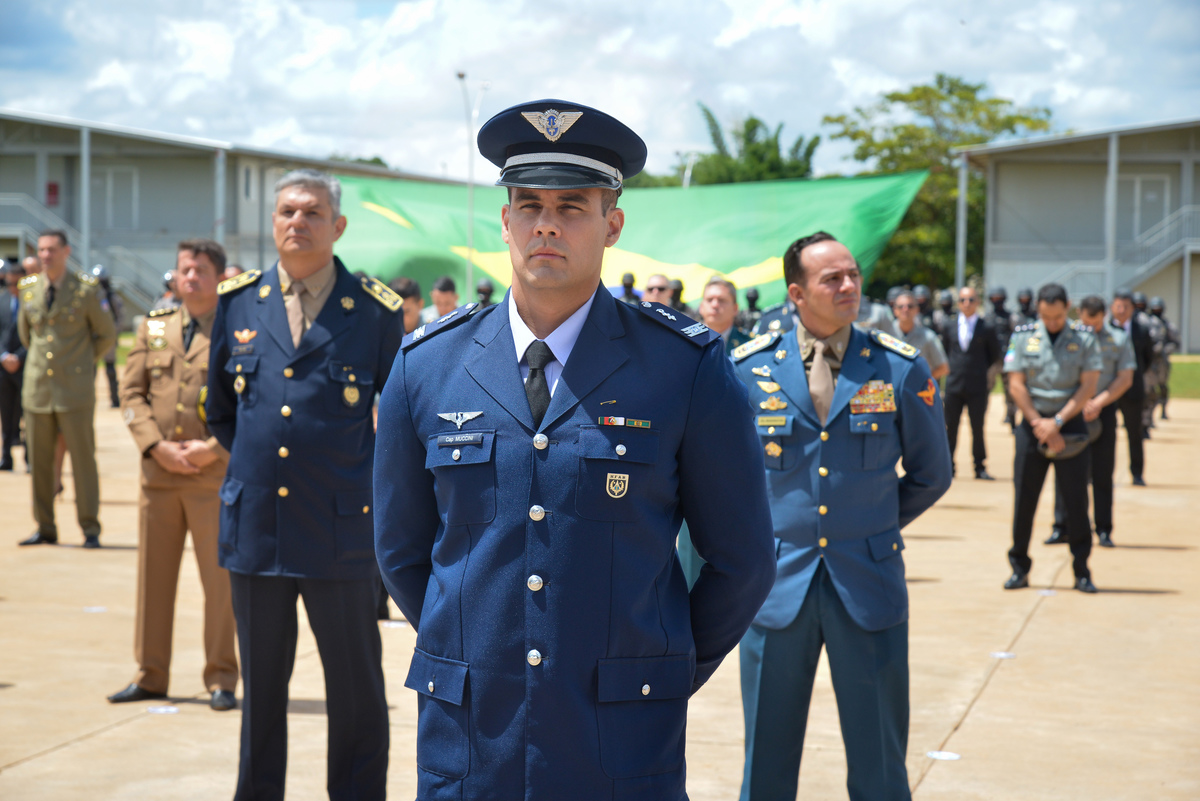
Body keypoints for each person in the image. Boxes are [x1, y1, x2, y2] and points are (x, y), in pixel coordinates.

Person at [374, 98, 776, 801]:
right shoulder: (426, 366)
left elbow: (742, 558)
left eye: (572, 205)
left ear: (612, 222)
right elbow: (402, 550)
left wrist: (659, 664)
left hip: (618, 740)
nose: (547, 223)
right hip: (473, 735)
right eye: (527, 204)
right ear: (505, 221)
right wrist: (477, 644)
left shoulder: (683, 367)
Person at [206, 169, 402, 800]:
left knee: (355, 690)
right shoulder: (237, 302)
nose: (299, 222)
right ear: (273, 223)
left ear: (337, 225)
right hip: (257, 528)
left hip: (339, 531)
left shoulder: (374, 311)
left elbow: (398, 424)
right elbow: (220, 412)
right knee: (262, 692)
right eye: (287, 211)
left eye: (313, 212)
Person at [734, 231, 951, 801]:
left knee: (880, 762)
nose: (849, 285)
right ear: (796, 293)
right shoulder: (746, 372)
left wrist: (872, 522)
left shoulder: (899, 367)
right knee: (765, 764)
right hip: (776, 586)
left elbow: (933, 473)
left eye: (853, 274)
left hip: (869, 580)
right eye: (832, 278)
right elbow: (720, 479)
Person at [107, 238, 238, 710]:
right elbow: (132, 392)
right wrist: (154, 445)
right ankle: (150, 674)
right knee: (153, 581)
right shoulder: (155, 327)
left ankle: (222, 677)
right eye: (185, 269)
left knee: (219, 585)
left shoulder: (236, 330)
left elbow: (247, 401)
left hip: (210, 476)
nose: (191, 277)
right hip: (159, 474)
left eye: (201, 269)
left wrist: (209, 450)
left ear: (219, 277)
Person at [17, 230, 116, 547]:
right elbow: (26, 335)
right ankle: (45, 526)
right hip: (38, 390)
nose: (46, 255)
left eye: (52, 250)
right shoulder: (29, 289)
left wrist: (83, 365)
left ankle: (90, 528)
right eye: (42, 250)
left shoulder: (84, 290)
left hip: (74, 391)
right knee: (40, 464)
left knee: (83, 462)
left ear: (66, 252)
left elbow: (106, 334)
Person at [1003, 283, 1102, 593]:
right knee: (1024, 501)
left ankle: (1081, 570)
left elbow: (1088, 385)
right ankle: (1019, 567)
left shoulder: (1084, 338)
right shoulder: (1022, 336)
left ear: (1068, 308)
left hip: (1069, 425)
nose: (1053, 323)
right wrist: (1039, 423)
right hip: (1033, 426)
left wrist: (1057, 422)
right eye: (1046, 317)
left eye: (1058, 316)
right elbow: (1015, 383)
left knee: (1076, 501)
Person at [1046, 295, 1134, 549]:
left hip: (1102, 408)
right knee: (1065, 470)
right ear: (1079, 315)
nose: (1090, 328)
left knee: (1102, 472)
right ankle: (1060, 526)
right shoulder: (1069, 337)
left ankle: (1104, 529)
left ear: (1104, 316)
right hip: (1072, 408)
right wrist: (1078, 402)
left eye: (1094, 324)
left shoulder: (1118, 338)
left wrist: (1099, 402)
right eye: (1085, 322)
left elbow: (1125, 377)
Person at [941, 286, 1002, 480]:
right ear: (958, 303)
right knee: (951, 426)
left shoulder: (987, 327)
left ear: (977, 302)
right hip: (953, 385)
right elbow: (943, 352)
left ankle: (979, 467)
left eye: (971, 300)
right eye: (962, 300)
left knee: (977, 427)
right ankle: (948, 465)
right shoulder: (949, 326)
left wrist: (980, 371)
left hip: (977, 386)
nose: (966, 304)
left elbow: (995, 355)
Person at [1109, 290, 1154, 485]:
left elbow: (1148, 358)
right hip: (1108, 390)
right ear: (1112, 307)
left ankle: (1137, 473)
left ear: (1132, 309)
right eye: (1118, 306)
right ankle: (1101, 474)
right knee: (1105, 433)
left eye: (1125, 306)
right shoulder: (1104, 330)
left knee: (1134, 433)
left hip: (1133, 390)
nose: (1121, 310)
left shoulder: (1141, 330)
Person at [1, 263, 26, 470]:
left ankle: (29, 458)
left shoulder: (32, 303)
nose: (12, 287)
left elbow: (36, 337)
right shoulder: (2, 301)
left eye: (16, 282)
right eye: (9, 282)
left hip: (25, 366)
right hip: (3, 368)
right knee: (6, 415)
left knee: (28, 414)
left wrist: (18, 357)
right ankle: (6, 457)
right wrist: (3, 356)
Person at [892, 289, 948, 379]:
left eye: (910, 306)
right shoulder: (885, 335)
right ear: (895, 310)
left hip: (917, 391)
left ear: (917, 309)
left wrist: (922, 381)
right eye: (901, 306)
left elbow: (943, 368)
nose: (905, 309)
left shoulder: (929, 336)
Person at [985, 286, 1018, 427]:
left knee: (1010, 390)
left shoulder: (1010, 317)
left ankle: (1011, 417)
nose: (996, 301)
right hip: (991, 360)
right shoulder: (987, 318)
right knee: (985, 389)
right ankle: (981, 415)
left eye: (999, 298)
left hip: (1007, 360)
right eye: (994, 298)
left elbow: (1015, 338)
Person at [93, 265, 123, 409]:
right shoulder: (91, 297)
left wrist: (112, 333)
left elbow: (119, 317)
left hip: (108, 337)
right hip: (93, 337)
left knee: (110, 370)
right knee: (89, 370)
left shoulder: (112, 298)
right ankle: (88, 399)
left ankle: (115, 400)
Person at [699, 274, 751, 356]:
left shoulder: (749, 343)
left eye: (721, 300)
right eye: (709, 300)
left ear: (735, 308)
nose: (715, 305)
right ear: (701, 307)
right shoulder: (686, 342)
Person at [1148, 297, 1179, 420]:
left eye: (1159, 309)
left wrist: (1165, 350)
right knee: (1149, 388)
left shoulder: (1168, 325)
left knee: (1162, 385)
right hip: (1150, 360)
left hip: (1162, 360)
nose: (1157, 311)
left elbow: (1176, 342)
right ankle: (1148, 415)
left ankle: (1163, 409)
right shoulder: (1147, 323)